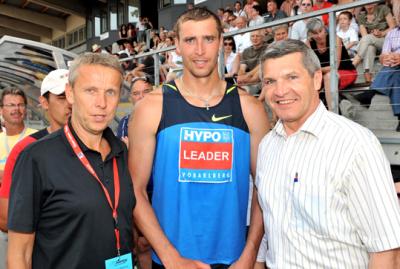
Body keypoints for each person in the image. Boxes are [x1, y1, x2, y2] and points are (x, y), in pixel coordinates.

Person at [129, 7, 269, 269]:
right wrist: (171, 256)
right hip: (170, 260)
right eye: (190, 40)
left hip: (236, 259)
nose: (200, 50)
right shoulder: (151, 107)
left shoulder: (249, 107)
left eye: (208, 39)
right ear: (177, 46)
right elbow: (135, 191)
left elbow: (265, 187)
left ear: (221, 42)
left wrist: (250, 253)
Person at [257, 39, 400, 268]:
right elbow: (271, 228)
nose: (280, 90)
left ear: (316, 80)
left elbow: (388, 252)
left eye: (292, 77)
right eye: (270, 81)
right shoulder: (267, 147)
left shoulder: (356, 144)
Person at [7, 53, 136, 269]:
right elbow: (19, 254)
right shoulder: (36, 158)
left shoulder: (120, 151)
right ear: (71, 94)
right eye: (90, 91)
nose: (101, 103)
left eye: (110, 92)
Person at [0, 70, 72, 268]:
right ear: (44, 102)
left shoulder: (104, 147)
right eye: (61, 97)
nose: (70, 103)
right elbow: (6, 219)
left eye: (73, 94)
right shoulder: (28, 149)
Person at [0, 88, 36, 269]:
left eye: (20, 104)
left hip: (29, 222)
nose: (16, 109)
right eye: (11, 105)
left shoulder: (36, 138)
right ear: (1, 110)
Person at [306, 18, 357, 110]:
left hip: (345, 71)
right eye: (314, 33)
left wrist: (318, 70)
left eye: (320, 31)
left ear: (324, 29)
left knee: (328, 76)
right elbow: (310, 66)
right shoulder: (309, 44)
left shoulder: (335, 38)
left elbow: (335, 66)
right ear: (310, 34)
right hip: (323, 75)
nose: (319, 35)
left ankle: (332, 113)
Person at [352, 3, 396, 83]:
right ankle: (368, 79)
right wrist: (374, 35)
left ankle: (356, 61)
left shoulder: (383, 9)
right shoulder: (361, 16)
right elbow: (364, 36)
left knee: (368, 40)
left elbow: (392, 26)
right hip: (372, 41)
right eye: (366, 2)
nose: (368, 4)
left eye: (370, 1)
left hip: (387, 41)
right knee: (369, 47)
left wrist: (382, 33)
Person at [117, 76, 153, 142]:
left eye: (146, 91)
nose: (141, 96)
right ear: (131, 98)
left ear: (153, 93)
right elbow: (122, 149)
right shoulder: (125, 123)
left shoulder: (165, 119)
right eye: (136, 93)